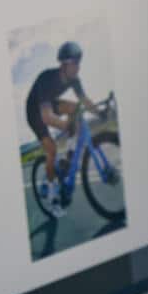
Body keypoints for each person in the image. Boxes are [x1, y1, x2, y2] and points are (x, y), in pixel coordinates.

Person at [26, 40, 107, 218]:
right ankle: (54, 197)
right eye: (75, 63)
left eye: (80, 62)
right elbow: (46, 117)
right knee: (52, 150)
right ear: (64, 64)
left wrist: (100, 113)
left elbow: (84, 100)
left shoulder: (74, 80)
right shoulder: (47, 79)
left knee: (76, 109)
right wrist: (67, 126)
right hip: (34, 112)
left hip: (49, 105)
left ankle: (69, 156)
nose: (79, 67)